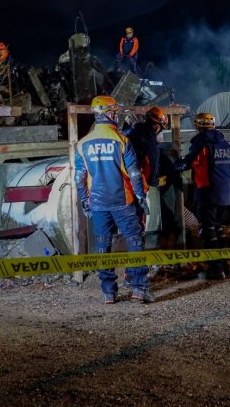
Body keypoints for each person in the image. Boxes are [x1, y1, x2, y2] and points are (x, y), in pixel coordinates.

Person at [74, 95, 152, 304]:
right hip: (122, 200)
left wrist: (85, 200)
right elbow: (134, 173)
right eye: (115, 112)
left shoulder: (82, 144)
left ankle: (109, 292)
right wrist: (140, 195)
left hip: (98, 203)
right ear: (109, 114)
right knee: (134, 241)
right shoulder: (122, 140)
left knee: (103, 245)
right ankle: (139, 289)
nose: (116, 116)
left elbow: (79, 178)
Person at [175, 112, 230, 280]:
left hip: (207, 192)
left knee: (208, 231)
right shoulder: (223, 142)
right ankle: (226, 264)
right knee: (218, 228)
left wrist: (176, 163)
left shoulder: (201, 141)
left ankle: (216, 270)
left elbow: (188, 163)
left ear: (197, 125)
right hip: (224, 193)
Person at [121, 106, 170, 294]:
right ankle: (133, 277)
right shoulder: (150, 143)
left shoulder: (129, 134)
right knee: (137, 233)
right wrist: (156, 181)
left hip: (117, 190)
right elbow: (152, 172)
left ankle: (113, 282)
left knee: (115, 235)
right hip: (136, 193)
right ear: (158, 126)